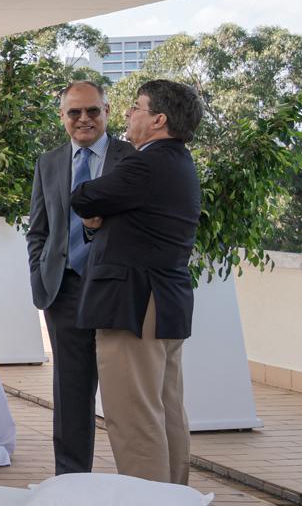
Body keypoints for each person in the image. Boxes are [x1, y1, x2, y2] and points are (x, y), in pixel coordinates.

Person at [70, 79, 204, 485]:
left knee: (134, 414)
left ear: (159, 119)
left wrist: (100, 214)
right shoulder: (179, 162)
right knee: (165, 410)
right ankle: (174, 504)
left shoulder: (146, 163)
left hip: (135, 304)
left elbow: (83, 197)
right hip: (165, 303)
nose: (128, 114)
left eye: (136, 107)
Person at [26, 81, 134, 475]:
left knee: (126, 394)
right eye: (74, 112)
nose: (84, 119)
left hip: (116, 292)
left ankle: (137, 486)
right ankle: (70, 484)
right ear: (63, 117)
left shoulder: (130, 158)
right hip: (65, 289)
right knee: (71, 394)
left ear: (107, 111)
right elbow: (38, 229)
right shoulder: (49, 162)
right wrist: (41, 275)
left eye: (92, 111)